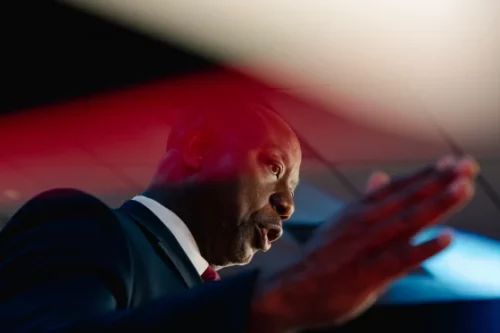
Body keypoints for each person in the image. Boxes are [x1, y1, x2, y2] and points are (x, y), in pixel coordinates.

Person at [0, 101, 478, 332]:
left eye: (291, 189)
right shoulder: (84, 224)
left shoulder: (214, 299)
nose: (287, 205)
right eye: (273, 167)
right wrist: (270, 304)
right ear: (197, 149)